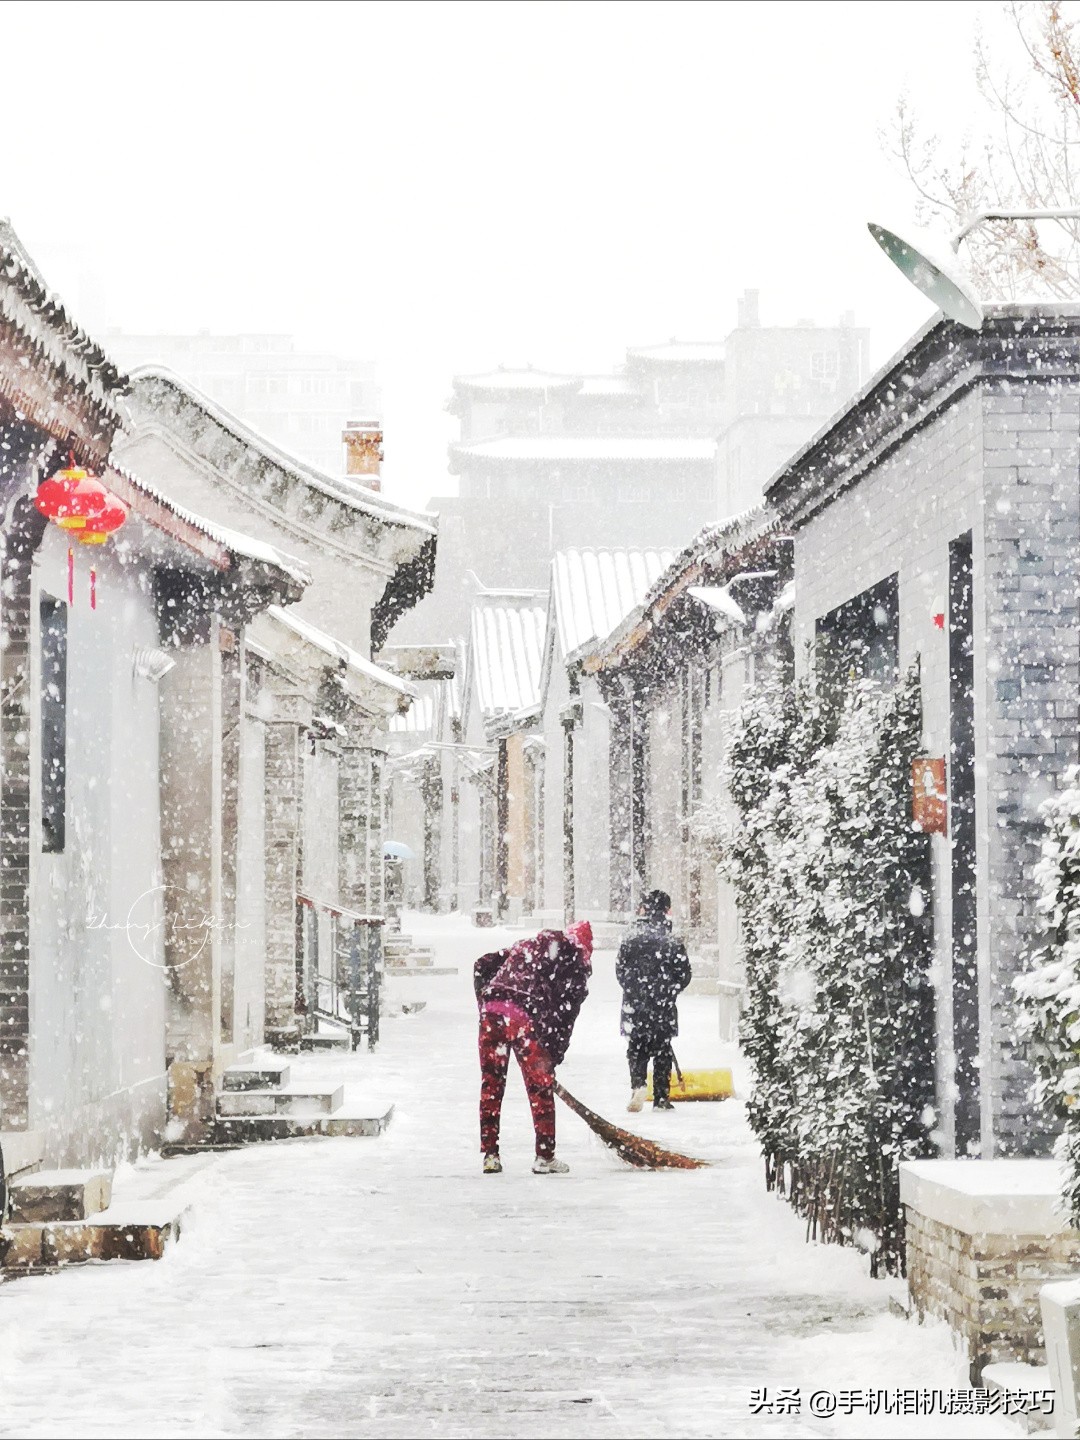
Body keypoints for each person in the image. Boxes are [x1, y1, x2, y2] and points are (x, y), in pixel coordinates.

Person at [474, 920, 593, 1175]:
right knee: (540, 1089)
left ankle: (490, 1155)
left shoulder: (527, 946)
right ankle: (544, 1156)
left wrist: (486, 1005)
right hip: (521, 1018)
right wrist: (552, 1059)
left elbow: (481, 964)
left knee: (492, 1085)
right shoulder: (573, 967)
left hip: (491, 1016)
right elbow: (564, 1020)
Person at [616, 890, 692, 1112]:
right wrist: (669, 991)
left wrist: (634, 990)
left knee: (636, 1046)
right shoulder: (671, 940)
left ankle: (638, 1084)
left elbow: (620, 970)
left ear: (643, 909)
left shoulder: (630, 938)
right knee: (662, 1049)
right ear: (667, 911)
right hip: (663, 1004)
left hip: (635, 1003)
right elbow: (684, 974)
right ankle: (661, 1097)